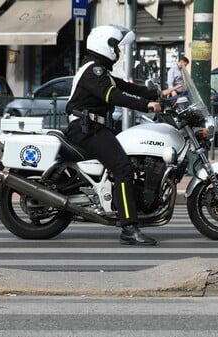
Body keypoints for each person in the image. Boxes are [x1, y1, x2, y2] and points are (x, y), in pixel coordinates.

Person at [65, 25, 162, 246]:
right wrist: (147, 105)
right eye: (115, 46)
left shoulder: (100, 71)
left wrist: (159, 94)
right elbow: (113, 95)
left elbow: (127, 87)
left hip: (94, 128)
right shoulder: (93, 71)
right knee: (123, 168)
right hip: (86, 129)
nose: (118, 51)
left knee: (126, 164)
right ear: (105, 45)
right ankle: (129, 229)